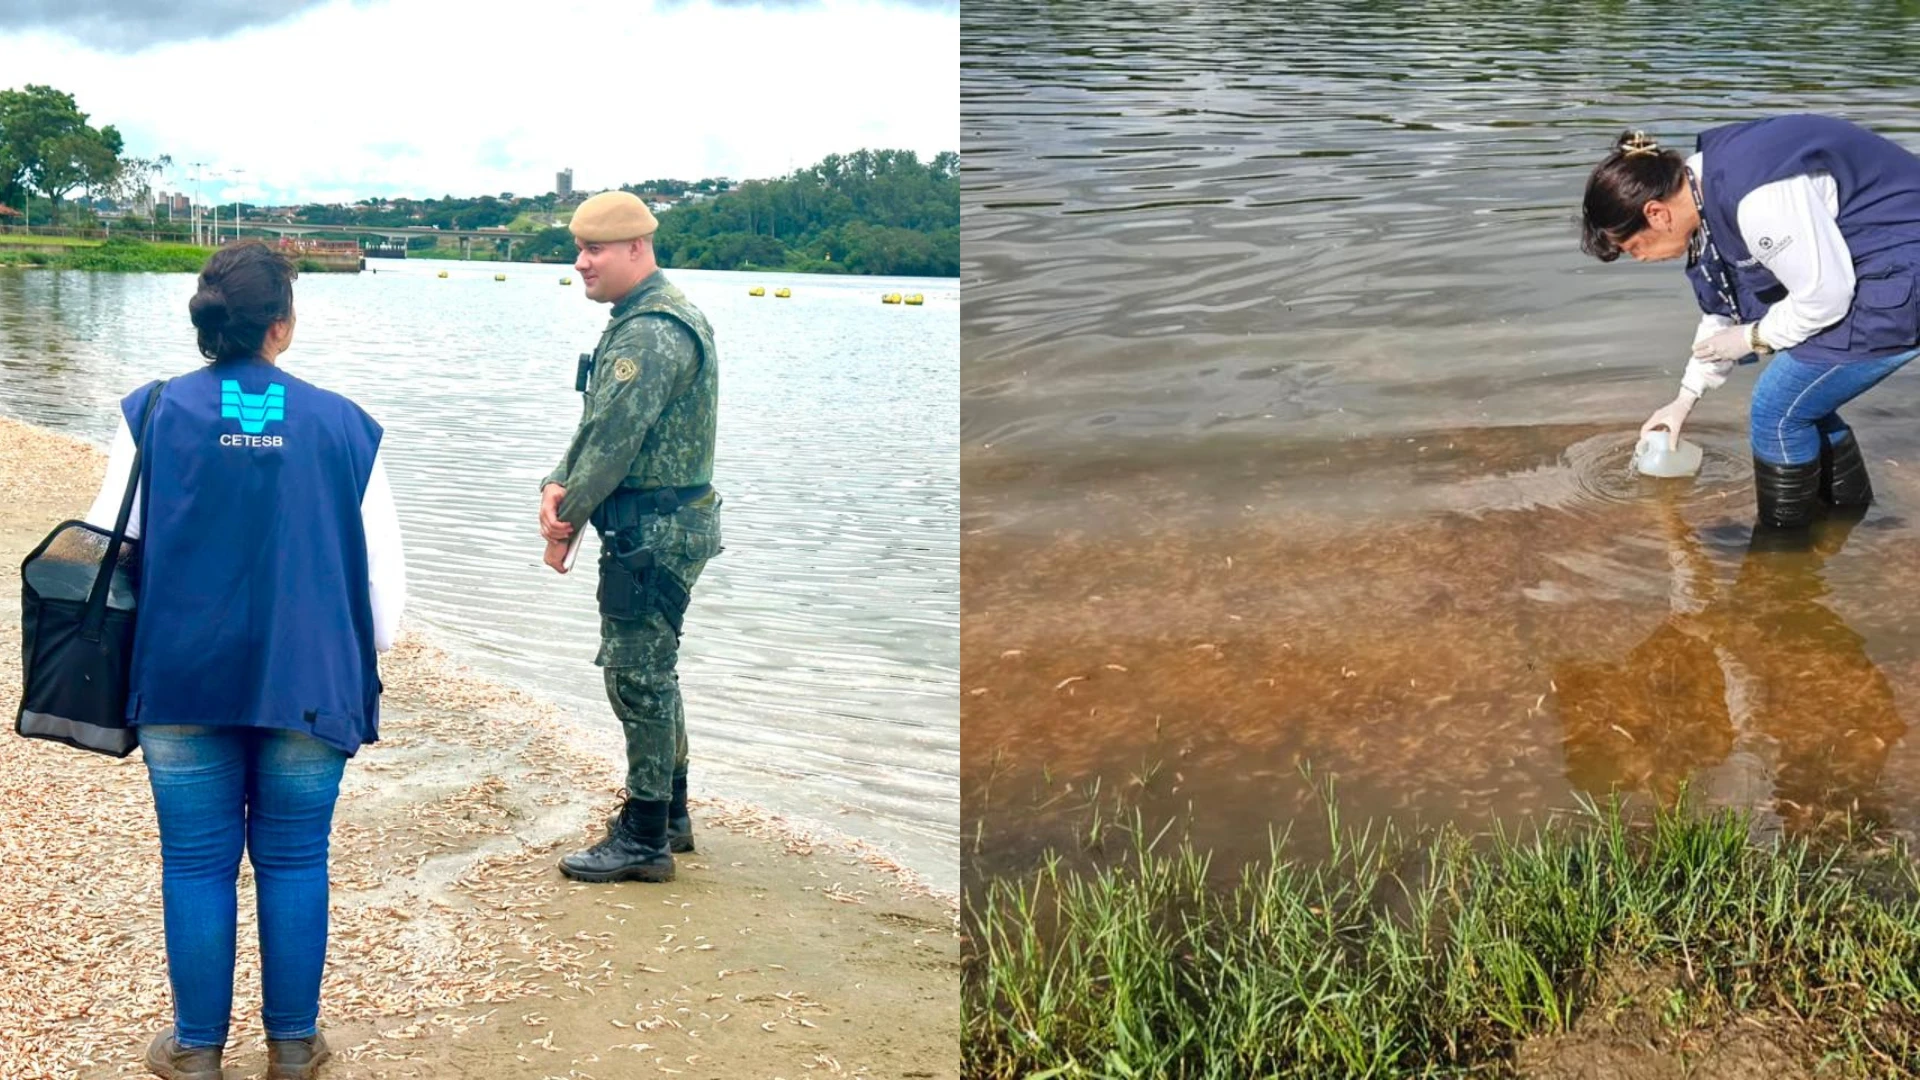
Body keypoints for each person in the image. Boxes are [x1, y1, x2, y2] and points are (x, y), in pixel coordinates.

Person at [84, 240, 405, 1080]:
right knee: (295, 858)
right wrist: (355, 660)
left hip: (184, 679)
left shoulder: (151, 414)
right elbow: (384, 593)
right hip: (309, 684)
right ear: (282, 327)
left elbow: (109, 545)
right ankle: (292, 1044)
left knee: (196, 861)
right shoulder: (344, 423)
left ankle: (196, 1049)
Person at [1580, 114, 1920, 531]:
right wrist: (1684, 401)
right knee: (1806, 402)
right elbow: (1723, 308)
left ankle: (1782, 554)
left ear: (1656, 213)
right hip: (1873, 268)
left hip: (1902, 268)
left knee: (1776, 411)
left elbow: (1826, 297)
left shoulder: (1756, 198)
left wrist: (1754, 337)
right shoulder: (1704, 196)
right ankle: (1848, 522)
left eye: (1634, 247)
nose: (1643, 259)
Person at [537, 190, 722, 884]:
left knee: (636, 676)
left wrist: (565, 517)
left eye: (595, 250)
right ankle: (668, 814)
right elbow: (598, 425)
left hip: (657, 529)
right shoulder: (642, 317)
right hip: (660, 521)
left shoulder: (650, 332)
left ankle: (645, 836)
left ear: (637, 249)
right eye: (579, 249)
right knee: (653, 669)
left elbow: (615, 442)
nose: (581, 262)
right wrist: (557, 481)